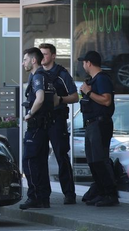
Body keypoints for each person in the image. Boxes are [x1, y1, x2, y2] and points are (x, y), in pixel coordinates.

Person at [38, 43, 79, 205]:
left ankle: (69, 193)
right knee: (39, 158)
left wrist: (60, 100)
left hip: (57, 120)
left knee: (61, 156)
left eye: (45, 54)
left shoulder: (61, 74)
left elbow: (75, 97)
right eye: (40, 54)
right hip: (41, 121)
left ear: (53, 56)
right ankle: (43, 195)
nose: (42, 58)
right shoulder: (37, 73)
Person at [78, 50, 119, 207]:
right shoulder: (93, 80)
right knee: (93, 161)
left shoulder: (102, 79)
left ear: (89, 63)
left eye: (84, 62)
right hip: (91, 124)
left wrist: (89, 92)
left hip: (100, 124)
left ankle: (110, 194)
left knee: (100, 160)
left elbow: (106, 100)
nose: (83, 65)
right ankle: (101, 192)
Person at [20, 47, 55, 210]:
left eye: (25, 59)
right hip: (45, 125)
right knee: (40, 163)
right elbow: (53, 100)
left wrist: (30, 114)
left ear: (33, 60)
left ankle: (34, 197)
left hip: (36, 126)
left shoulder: (37, 77)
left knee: (29, 161)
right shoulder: (47, 76)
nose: (23, 63)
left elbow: (40, 98)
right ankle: (43, 198)